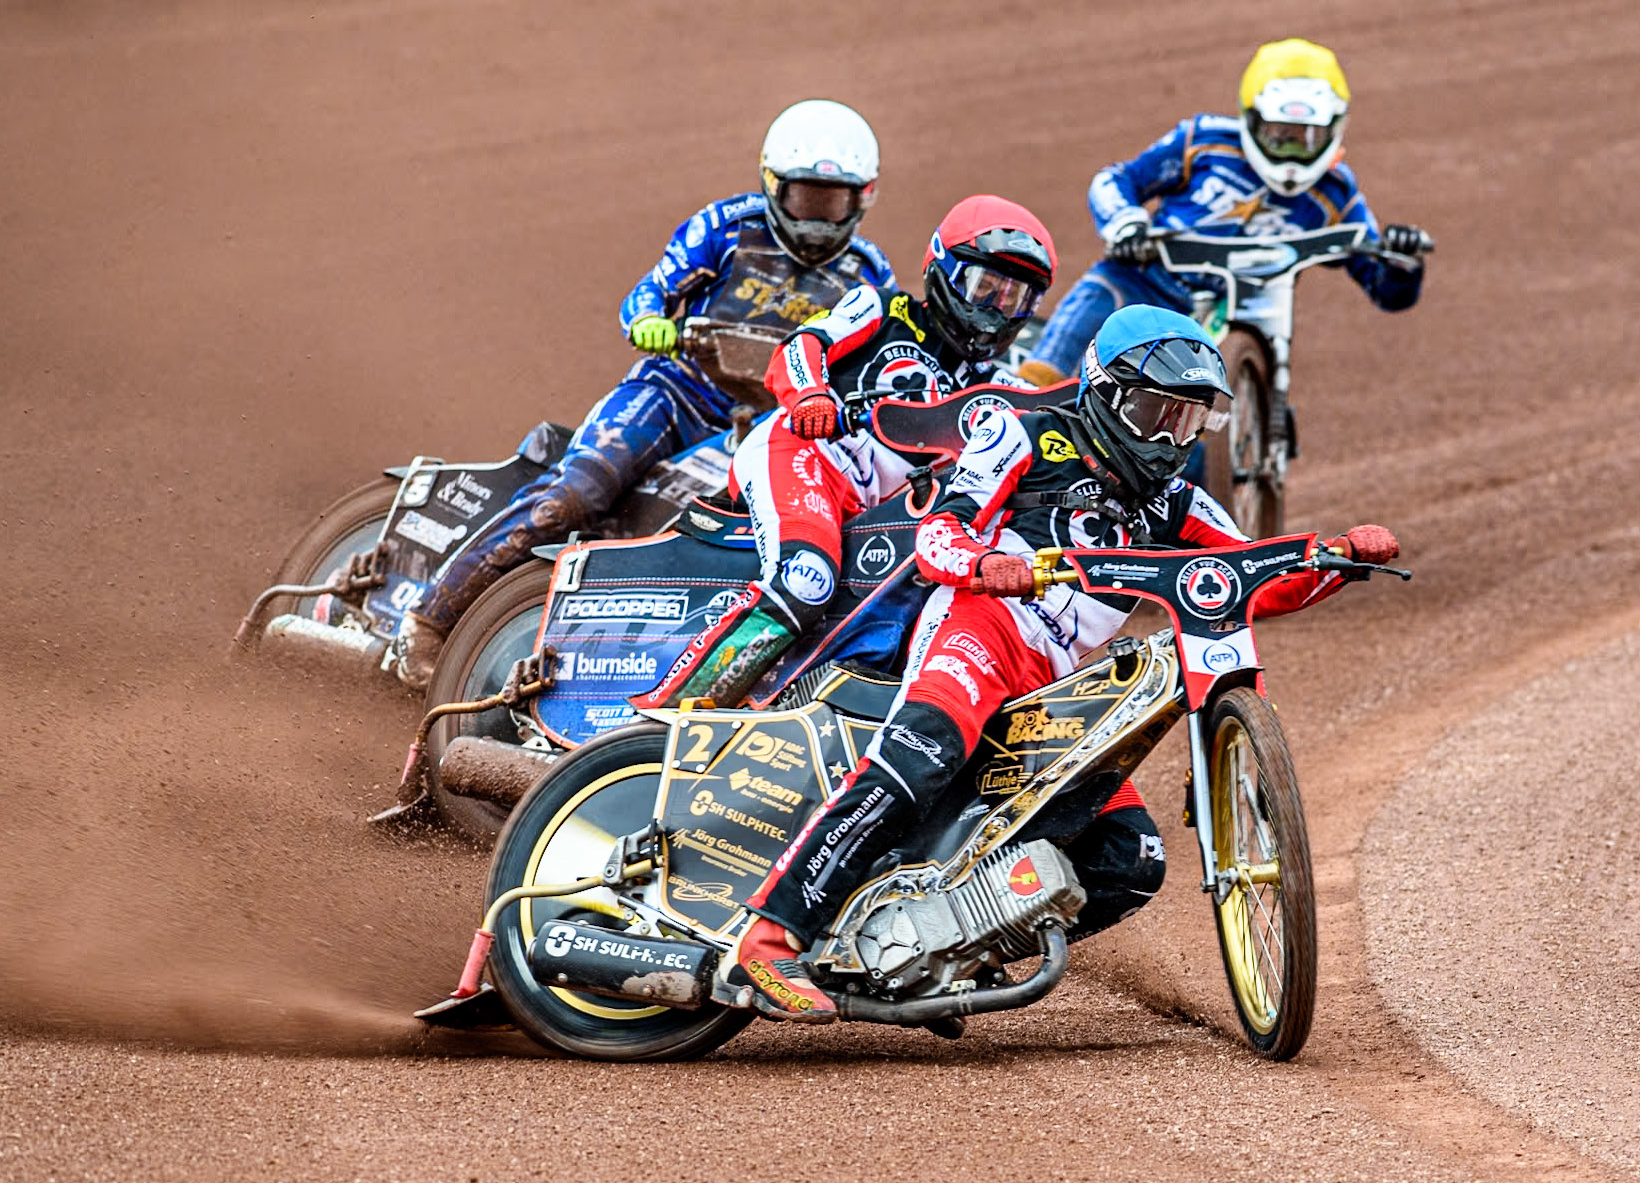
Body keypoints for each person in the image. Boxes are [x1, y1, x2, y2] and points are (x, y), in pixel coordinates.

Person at [721, 304, 1400, 1021]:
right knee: (920, 754)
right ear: (1106, 393)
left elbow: (1252, 576)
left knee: (1130, 859)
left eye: (1189, 421)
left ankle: (940, 953)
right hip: (981, 631)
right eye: (1157, 414)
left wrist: (1336, 558)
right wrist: (984, 564)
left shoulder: (1177, 503)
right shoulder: (1021, 433)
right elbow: (939, 535)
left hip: (1056, 682)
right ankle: (769, 937)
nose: (1171, 440)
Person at [393, 99, 894, 689]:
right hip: (677, 392)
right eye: (806, 199)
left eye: (832, 203)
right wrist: (650, 320)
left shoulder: (870, 275)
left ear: (862, 198)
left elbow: (876, 360)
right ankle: (428, 620)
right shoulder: (726, 228)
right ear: (773, 184)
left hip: (767, 431)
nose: (816, 221)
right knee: (577, 492)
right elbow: (650, 293)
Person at [633, 194, 1058, 711]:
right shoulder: (881, 307)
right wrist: (811, 395)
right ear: (944, 269)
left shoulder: (1001, 390)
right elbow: (802, 345)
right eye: (984, 287)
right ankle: (668, 713)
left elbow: (1054, 427)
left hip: (873, 514)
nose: (994, 309)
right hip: (805, 454)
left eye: (1014, 298)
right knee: (806, 578)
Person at [1021, 38, 1429, 383]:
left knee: (1203, 424)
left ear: (1335, 129)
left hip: (1241, 313)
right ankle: (1027, 392)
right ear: (1251, 118)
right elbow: (1117, 179)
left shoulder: (1335, 193)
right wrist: (1126, 225)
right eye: (1279, 135)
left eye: (1307, 137)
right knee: (1086, 314)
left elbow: (1387, 290)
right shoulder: (1204, 141)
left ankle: (1253, 432)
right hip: (1148, 281)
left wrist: (1402, 262)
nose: (1291, 151)